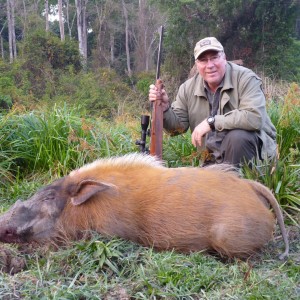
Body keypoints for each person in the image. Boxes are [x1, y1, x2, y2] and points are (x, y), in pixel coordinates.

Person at [149, 37, 277, 166]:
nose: (210, 65)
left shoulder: (246, 78)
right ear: (197, 64)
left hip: (257, 159)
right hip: (210, 160)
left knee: (237, 138)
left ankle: (240, 182)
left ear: (224, 58)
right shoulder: (187, 88)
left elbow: (254, 117)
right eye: (203, 60)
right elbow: (176, 129)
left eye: (214, 58)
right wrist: (164, 109)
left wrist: (212, 122)